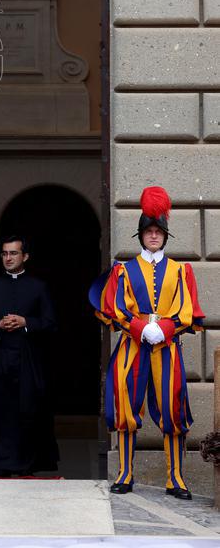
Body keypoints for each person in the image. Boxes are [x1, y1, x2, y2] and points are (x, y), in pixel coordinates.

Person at [89, 186, 205, 499]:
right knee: (126, 409)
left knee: (173, 411)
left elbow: (186, 310)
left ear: (165, 235)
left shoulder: (182, 271)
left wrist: (164, 329)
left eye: (158, 231)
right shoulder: (123, 271)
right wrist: (140, 327)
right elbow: (115, 308)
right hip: (131, 347)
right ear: (141, 235)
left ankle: (176, 478)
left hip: (167, 349)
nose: (153, 236)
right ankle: (125, 474)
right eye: (149, 231)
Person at [0, 234, 58, 476]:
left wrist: (26, 322)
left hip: (29, 359)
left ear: (25, 256)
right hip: (0, 356)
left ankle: (26, 465)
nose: (8, 258)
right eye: (4, 253)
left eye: (13, 253)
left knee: (28, 411)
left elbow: (51, 323)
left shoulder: (39, 287)